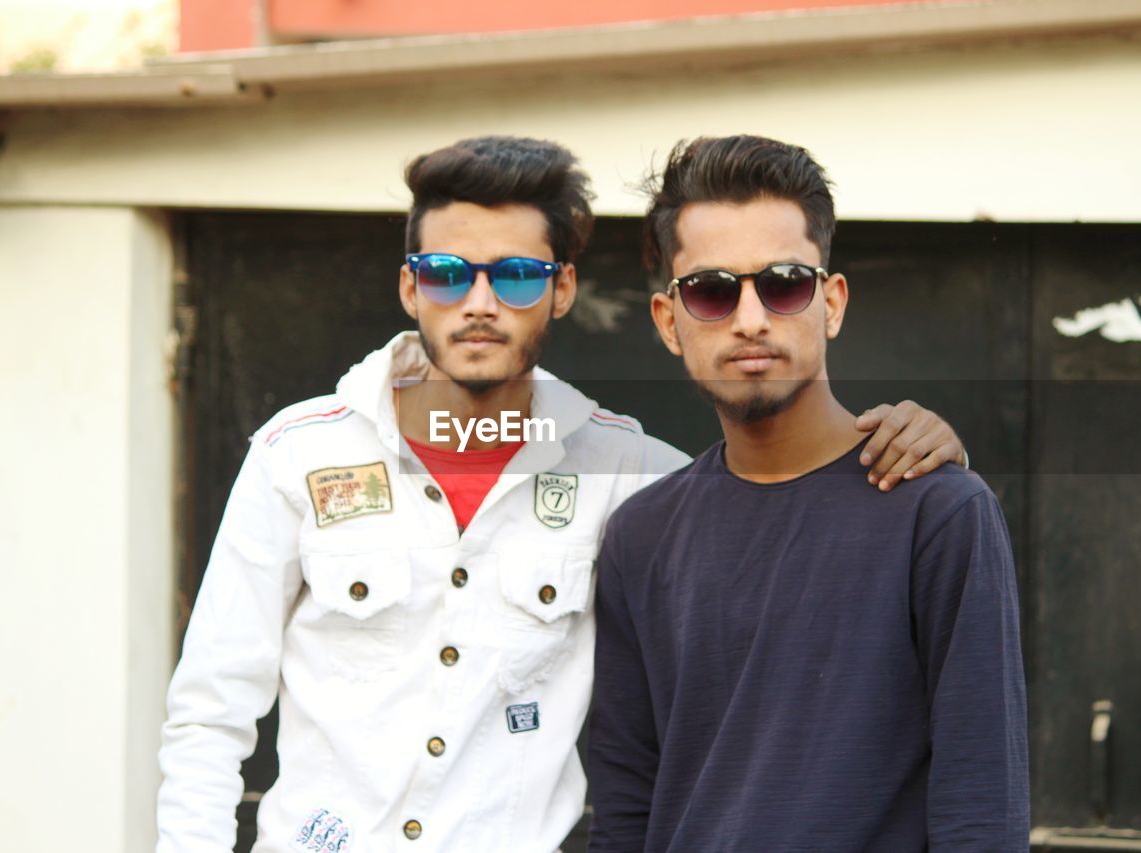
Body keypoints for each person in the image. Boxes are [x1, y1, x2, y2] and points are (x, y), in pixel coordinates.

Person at [156, 136, 968, 852]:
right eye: (447, 274)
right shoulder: (298, 454)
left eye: (515, 274)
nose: (479, 302)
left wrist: (923, 442)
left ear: (564, 287)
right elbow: (209, 714)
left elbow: (771, 489)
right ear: (411, 288)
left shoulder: (633, 474)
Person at [587, 135, 1029, 851]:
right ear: (670, 321)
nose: (751, 317)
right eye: (711, 290)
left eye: (784, 282)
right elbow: (625, 809)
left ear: (832, 302)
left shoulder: (937, 512)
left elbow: (982, 806)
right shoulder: (642, 535)